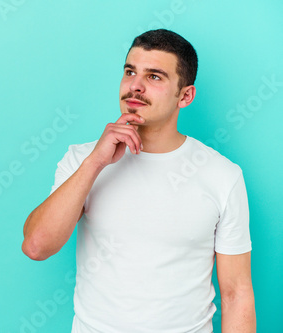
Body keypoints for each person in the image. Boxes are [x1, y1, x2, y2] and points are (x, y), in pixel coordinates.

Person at [21, 29, 256, 332]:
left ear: (185, 96)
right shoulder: (82, 159)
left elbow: (236, 294)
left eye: (154, 77)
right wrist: (95, 163)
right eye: (130, 72)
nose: (135, 86)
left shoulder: (223, 175)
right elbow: (36, 246)